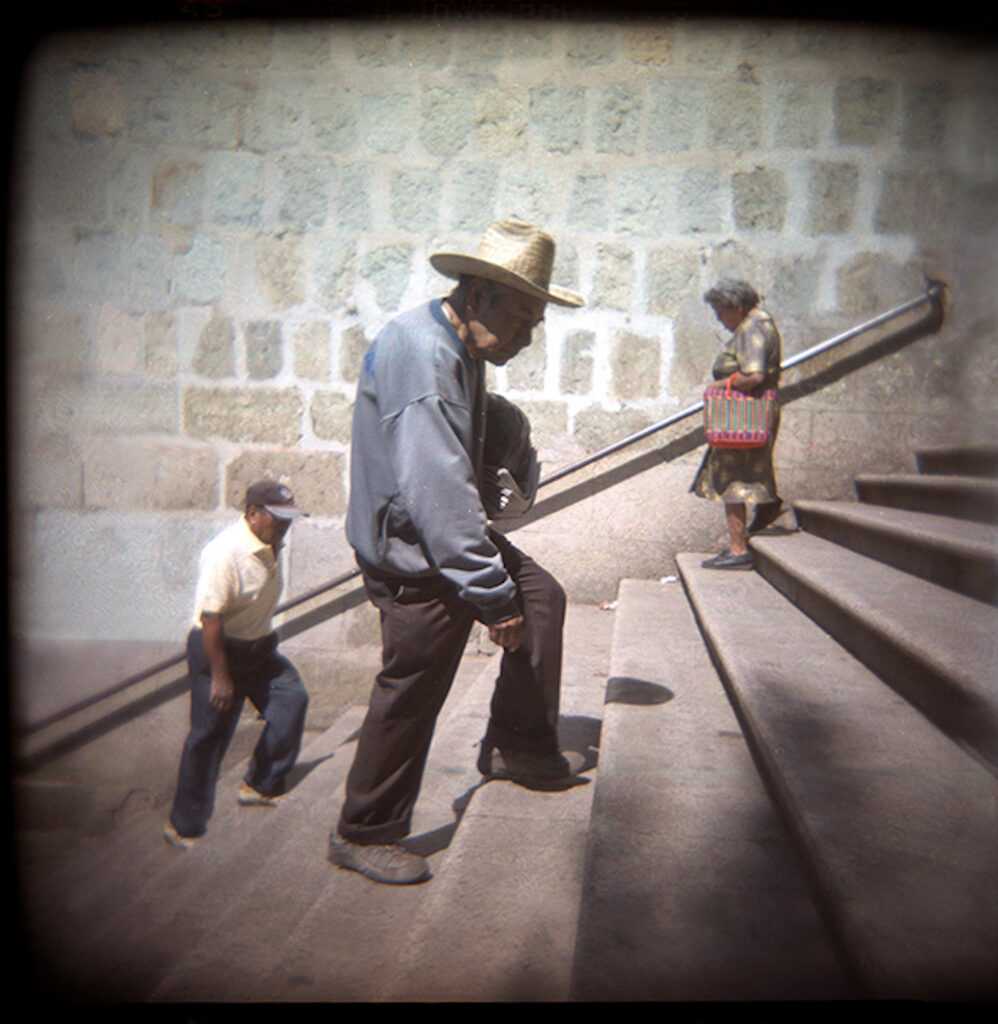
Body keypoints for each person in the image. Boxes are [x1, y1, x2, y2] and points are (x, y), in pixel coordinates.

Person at [328, 218, 585, 886]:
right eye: (523, 320)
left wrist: (506, 432)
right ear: (475, 298)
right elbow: (435, 490)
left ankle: (517, 745)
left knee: (543, 598)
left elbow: (460, 459)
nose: (530, 337)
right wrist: (489, 592)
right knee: (416, 680)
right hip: (412, 552)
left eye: (536, 321)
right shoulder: (424, 355)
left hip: (437, 533)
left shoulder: (459, 344)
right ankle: (364, 831)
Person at [163, 480, 310, 849]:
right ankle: (184, 825)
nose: (284, 526)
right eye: (278, 519)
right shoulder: (225, 553)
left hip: (259, 648)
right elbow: (211, 620)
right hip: (219, 651)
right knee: (210, 733)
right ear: (252, 514)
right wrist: (221, 678)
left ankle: (259, 784)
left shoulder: (271, 542)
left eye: (289, 519)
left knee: (291, 699)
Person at [692, 278, 785, 569]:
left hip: (743, 416)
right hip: (752, 413)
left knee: (732, 481)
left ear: (738, 307)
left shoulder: (752, 328)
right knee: (748, 474)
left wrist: (723, 384)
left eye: (721, 312)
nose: (720, 320)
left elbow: (754, 375)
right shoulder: (759, 323)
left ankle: (737, 548)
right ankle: (768, 508)